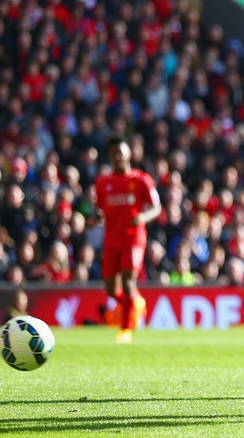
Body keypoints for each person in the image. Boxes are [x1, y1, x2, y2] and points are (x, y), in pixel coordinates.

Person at [93, 136, 161, 343]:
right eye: (114, 155)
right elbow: (99, 210)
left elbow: (157, 208)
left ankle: (126, 330)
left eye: (121, 154)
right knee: (111, 288)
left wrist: (143, 217)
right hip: (111, 239)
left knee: (129, 281)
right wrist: (94, 218)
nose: (118, 158)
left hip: (134, 238)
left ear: (129, 154)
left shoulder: (141, 180)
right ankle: (134, 304)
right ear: (110, 157)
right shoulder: (103, 183)